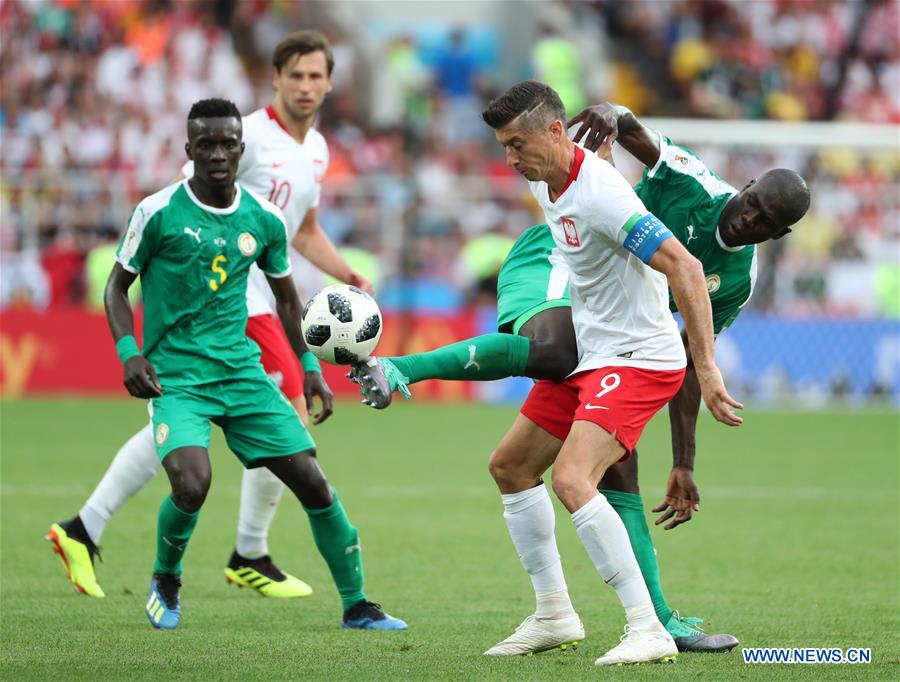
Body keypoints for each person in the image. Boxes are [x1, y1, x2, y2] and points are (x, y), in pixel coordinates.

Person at [352, 101, 809, 654]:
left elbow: (689, 350)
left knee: (571, 456)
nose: (747, 218)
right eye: (752, 202)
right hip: (569, 280)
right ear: (749, 183)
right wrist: (617, 113)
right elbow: (637, 135)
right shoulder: (679, 183)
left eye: (764, 221)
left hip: (619, 334)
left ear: (778, 233)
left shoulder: (728, 274)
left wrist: (685, 457)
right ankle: (583, 616)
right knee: (534, 420)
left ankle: (644, 623)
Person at [47, 31, 372, 601]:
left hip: (264, 299)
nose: (305, 86)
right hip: (234, 305)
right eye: (295, 75)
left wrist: (344, 273)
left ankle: (86, 527)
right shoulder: (242, 135)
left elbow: (305, 229)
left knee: (179, 423)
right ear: (275, 77)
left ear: (328, 82)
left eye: (316, 76)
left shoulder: (316, 150)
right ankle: (249, 551)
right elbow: (186, 202)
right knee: (286, 414)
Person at [93, 98, 405, 631]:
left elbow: (287, 300)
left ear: (241, 148)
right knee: (192, 483)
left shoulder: (262, 219)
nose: (217, 153)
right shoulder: (158, 211)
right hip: (178, 378)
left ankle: (356, 605)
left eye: (227, 144)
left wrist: (308, 366)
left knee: (313, 482)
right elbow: (117, 288)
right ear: (189, 150)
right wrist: (130, 353)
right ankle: (166, 580)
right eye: (206, 144)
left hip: (241, 373)